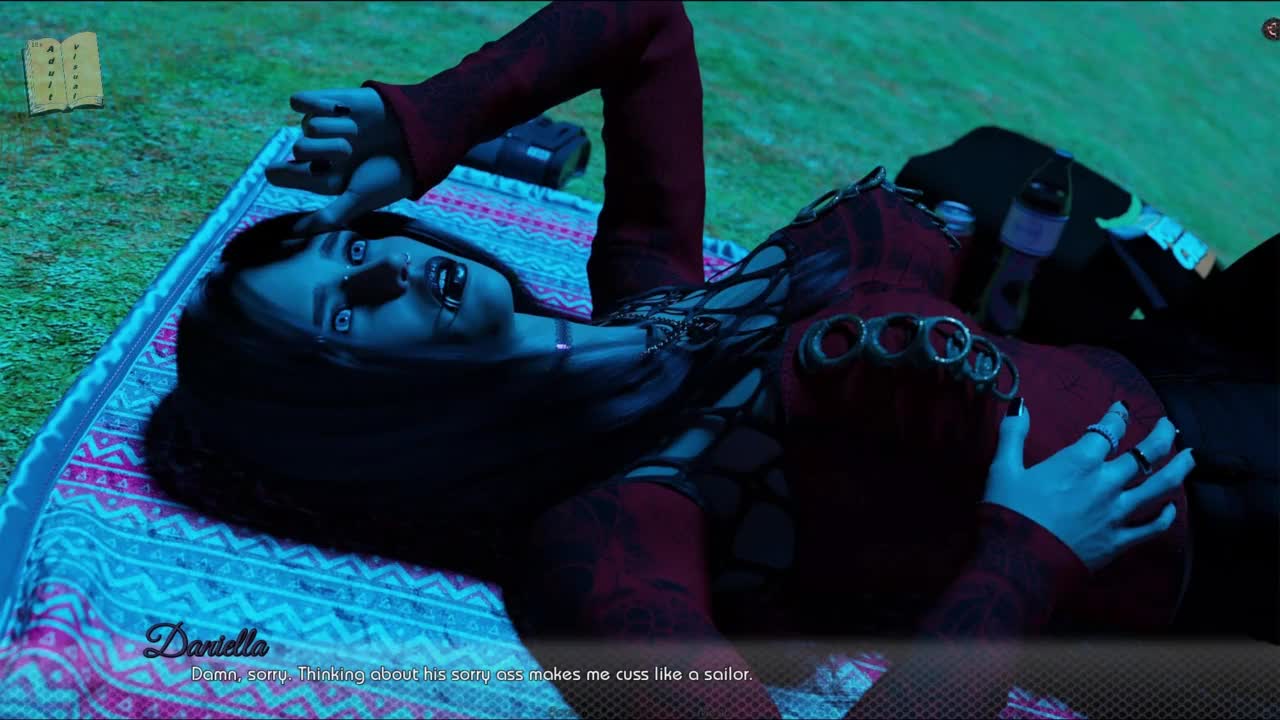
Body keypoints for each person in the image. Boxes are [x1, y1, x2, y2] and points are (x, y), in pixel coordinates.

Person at [143, 2, 1275, 717]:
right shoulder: (599, 540)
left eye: (354, 249)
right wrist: (1023, 559)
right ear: (356, 424)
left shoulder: (651, 297)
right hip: (1220, 521)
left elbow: (644, 24)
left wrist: (426, 122)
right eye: (344, 315)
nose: (389, 273)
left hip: (1183, 354)